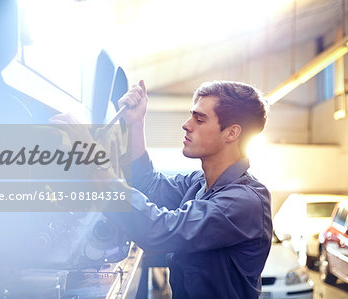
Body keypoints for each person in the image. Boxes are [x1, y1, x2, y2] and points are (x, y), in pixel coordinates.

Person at [52, 80, 272, 298]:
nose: (186, 124)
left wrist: (91, 158)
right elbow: (149, 186)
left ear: (231, 133)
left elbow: (159, 230)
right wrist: (135, 123)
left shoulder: (244, 201)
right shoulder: (200, 184)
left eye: (199, 119)